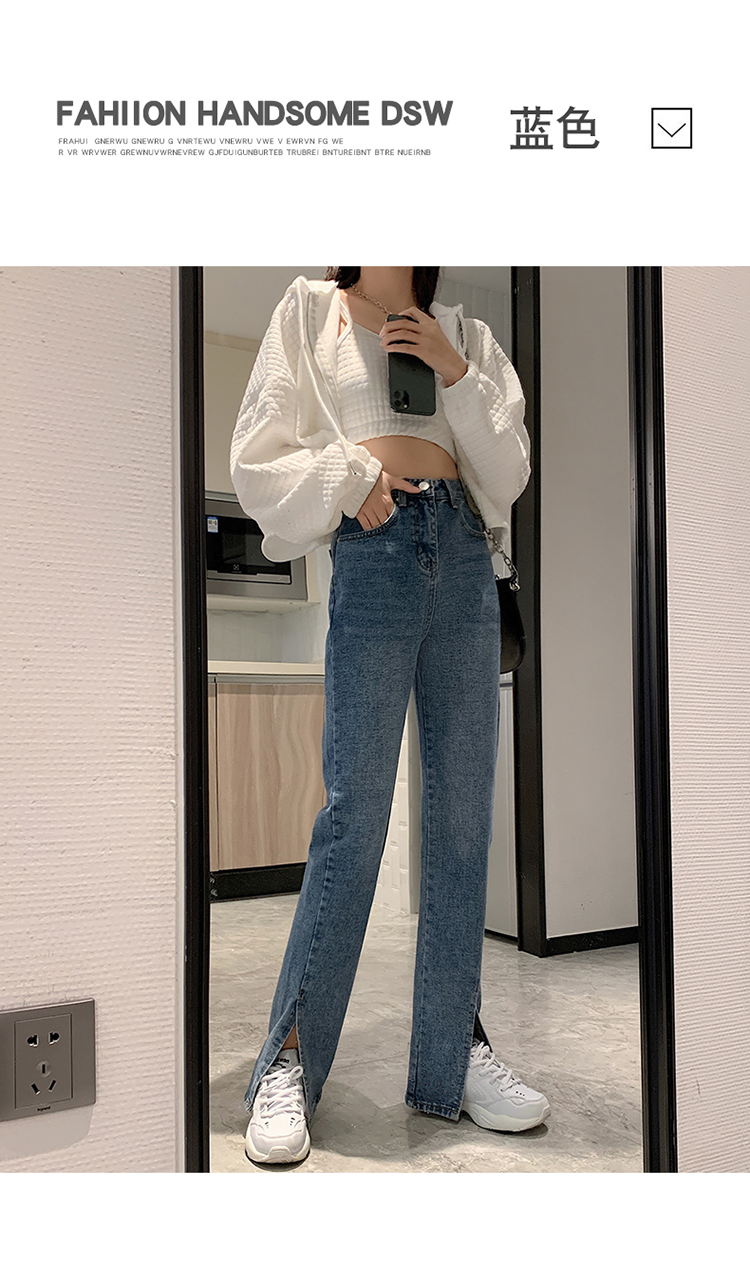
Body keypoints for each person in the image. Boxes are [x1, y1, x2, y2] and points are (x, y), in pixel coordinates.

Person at [230, 267, 550, 1166]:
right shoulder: (312, 310)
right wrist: (347, 477)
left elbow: (509, 473)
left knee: (462, 822)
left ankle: (452, 1052)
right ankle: (289, 1058)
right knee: (355, 816)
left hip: (465, 556)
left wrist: (455, 371)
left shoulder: (465, 334)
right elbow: (256, 457)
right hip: (374, 552)